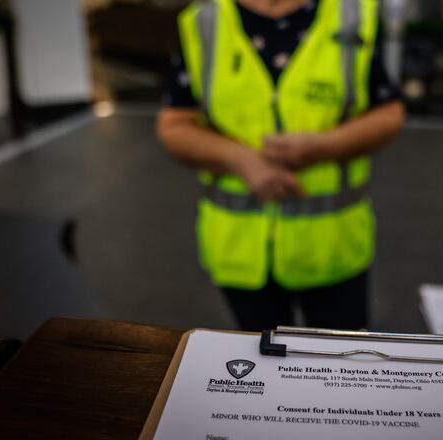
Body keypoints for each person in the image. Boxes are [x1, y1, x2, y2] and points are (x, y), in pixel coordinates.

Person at [157, 0, 404, 331]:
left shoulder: (353, 15)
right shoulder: (204, 22)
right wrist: (242, 160)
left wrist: (324, 147)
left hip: (332, 249)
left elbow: (388, 112)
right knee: (260, 356)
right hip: (239, 252)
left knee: (341, 356)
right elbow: (174, 125)